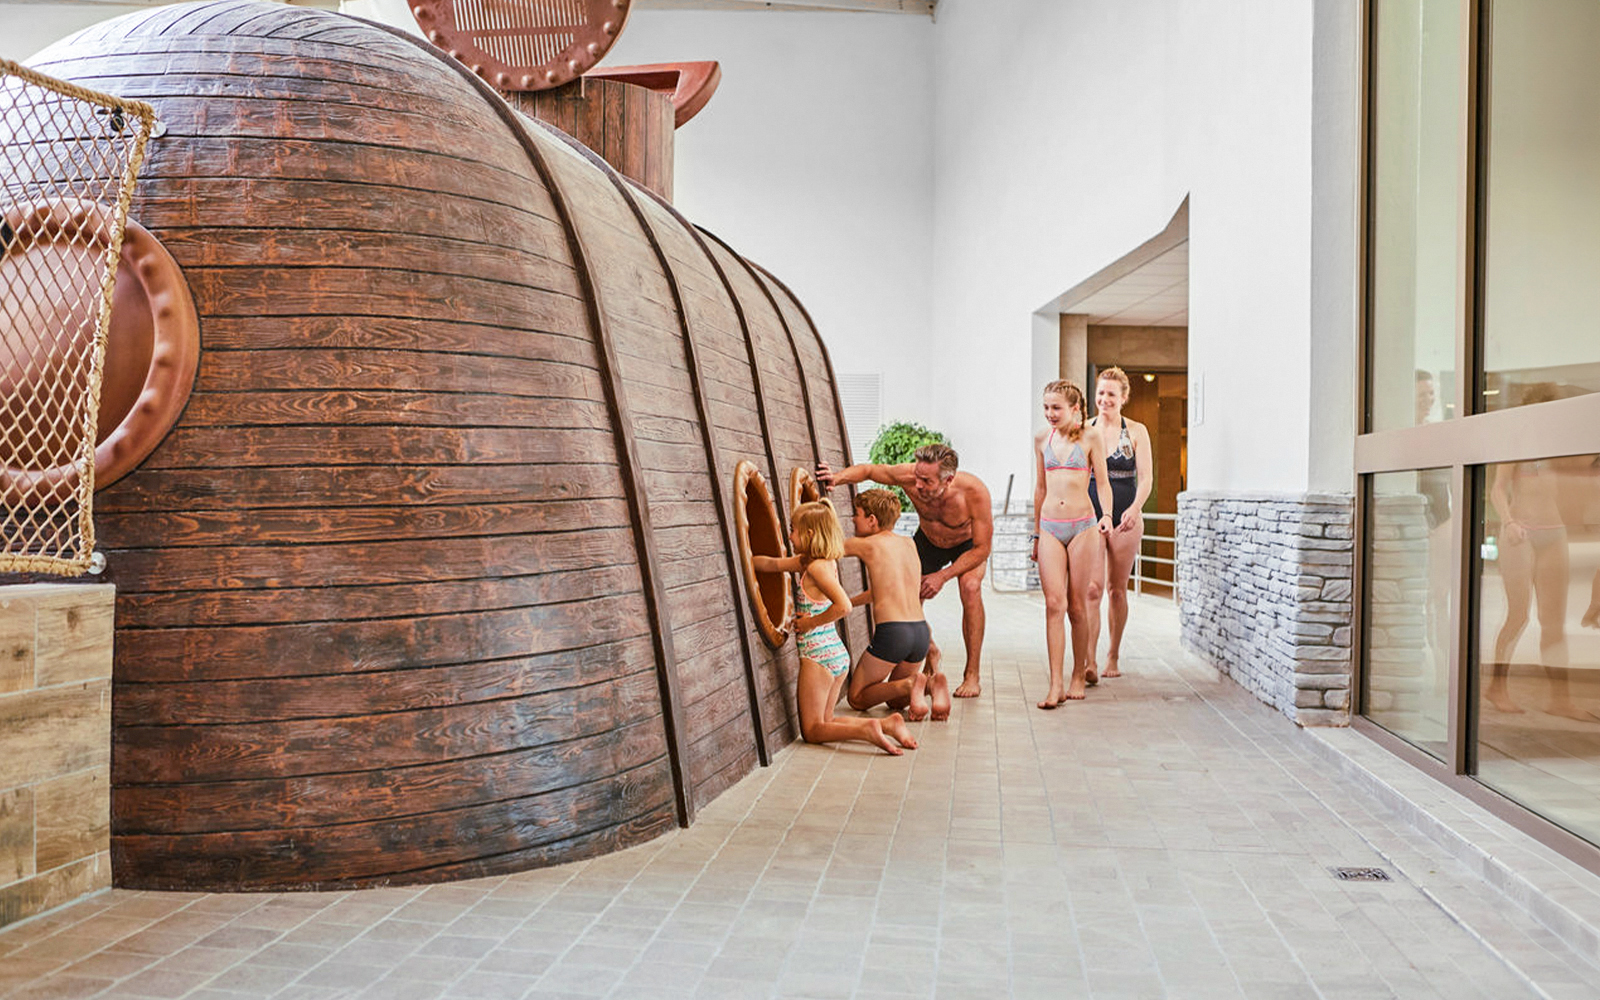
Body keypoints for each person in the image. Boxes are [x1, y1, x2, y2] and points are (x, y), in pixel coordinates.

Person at [817, 444, 993, 699]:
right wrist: (837, 477)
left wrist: (942, 576)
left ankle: (972, 674)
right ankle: (930, 649)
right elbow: (869, 470)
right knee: (906, 596)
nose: (918, 485)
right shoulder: (910, 477)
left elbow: (982, 548)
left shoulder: (974, 493)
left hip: (966, 546)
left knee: (970, 588)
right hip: (928, 541)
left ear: (949, 480)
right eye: (917, 477)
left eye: (927, 481)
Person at [751, 501, 918, 754]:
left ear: (809, 534)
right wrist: (745, 558)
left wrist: (809, 623)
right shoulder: (815, 562)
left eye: (793, 529)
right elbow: (773, 565)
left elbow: (844, 606)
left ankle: (867, 730)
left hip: (818, 656)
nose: (789, 535)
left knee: (812, 730)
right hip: (833, 653)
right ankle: (886, 725)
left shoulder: (817, 568)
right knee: (826, 722)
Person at [1483, 395, 1586, 721]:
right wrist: (1509, 521)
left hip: (1554, 533)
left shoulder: (1562, 448)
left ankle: (1561, 699)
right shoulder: (1516, 444)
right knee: (1518, 615)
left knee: (1553, 622)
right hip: (1521, 532)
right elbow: (1497, 488)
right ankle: (1497, 687)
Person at [1032, 379, 1113, 706]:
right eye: (1046, 407)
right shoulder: (1041, 439)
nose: (1050, 413)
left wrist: (1106, 514)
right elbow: (1040, 488)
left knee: (1077, 606)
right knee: (1054, 604)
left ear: (1075, 408)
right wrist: (1036, 533)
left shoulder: (1091, 437)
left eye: (1057, 408)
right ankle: (1055, 685)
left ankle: (1078, 673)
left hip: (1082, 526)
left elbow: (1103, 483)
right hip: (1050, 526)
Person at [841, 489, 948, 720]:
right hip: (919, 631)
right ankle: (929, 686)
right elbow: (885, 590)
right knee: (896, 702)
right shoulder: (909, 544)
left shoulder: (866, 544)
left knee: (857, 698)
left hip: (894, 633)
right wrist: (848, 603)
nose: (852, 519)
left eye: (856, 514)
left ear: (872, 520)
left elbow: (824, 551)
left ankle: (912, 684)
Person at [1081, 367, 1153, 680]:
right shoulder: (1084, 429)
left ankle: (1113, 655)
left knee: (1117, 590)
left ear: (1123, 397)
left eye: (1111, 394)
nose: (1104, 399)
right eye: (1100, 393)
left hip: (1126, 515)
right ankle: (1089, 662)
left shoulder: (1136, 431)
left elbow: (1147, 477)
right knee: (1093, 589)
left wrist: (1136, 509)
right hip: (1092, 515)